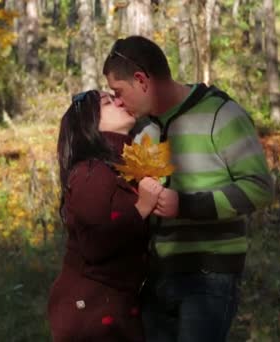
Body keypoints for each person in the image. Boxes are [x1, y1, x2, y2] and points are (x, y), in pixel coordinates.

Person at [103, 36, 274, 341]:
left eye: (118, 92)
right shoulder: (143, 128)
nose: (117, 102)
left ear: (141, 80)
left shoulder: (221, 115)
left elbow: (259, 188)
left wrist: (185, 205)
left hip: (209, 276)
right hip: (157, 277)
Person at [48, 90, 165, 341]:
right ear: (90, 122)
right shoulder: (91, 172)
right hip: (89, 313)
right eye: (108, 101)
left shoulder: (117, 168)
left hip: (116, 308)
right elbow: (94, 243)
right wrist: (142, 207)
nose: (120, 101)